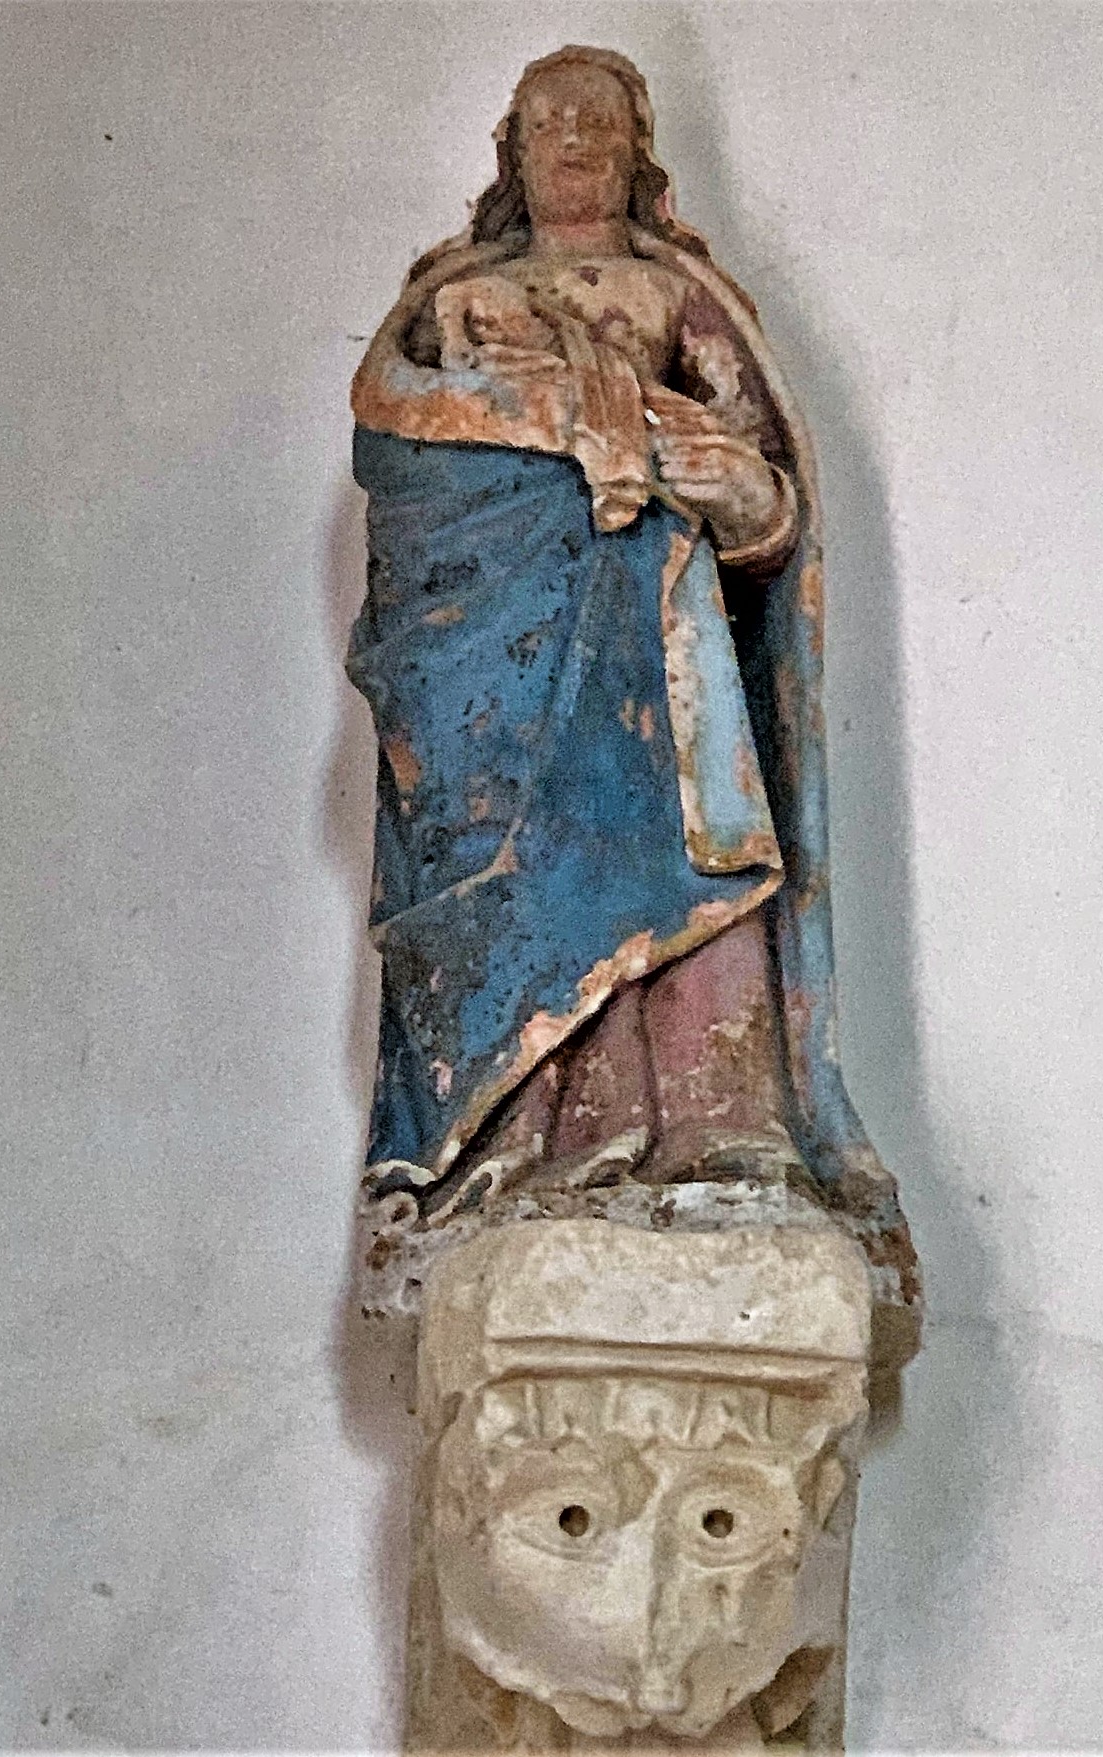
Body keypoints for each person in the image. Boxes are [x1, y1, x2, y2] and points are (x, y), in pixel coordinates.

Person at [349, 48, 913, 1275]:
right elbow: (396, 457)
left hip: (656, 636)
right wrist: (542, 435)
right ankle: (509, 1146)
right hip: (488, 669)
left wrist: (728, 484)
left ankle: (718, 1135)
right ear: (512, 150)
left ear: (637, 151)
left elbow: (767, 503)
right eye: (547, 120)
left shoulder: (675, 298)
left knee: (679, 846)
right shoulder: (452, 304)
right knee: (508, 866)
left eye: (598, 120)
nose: (572, 139)